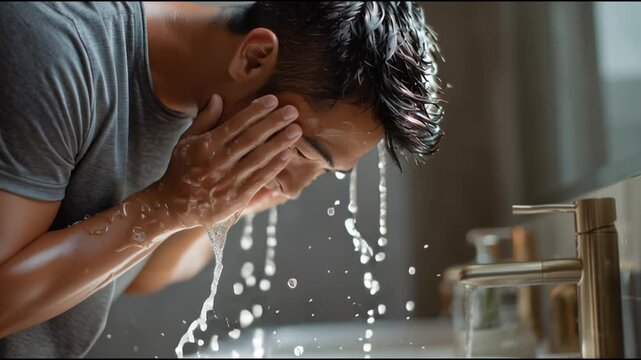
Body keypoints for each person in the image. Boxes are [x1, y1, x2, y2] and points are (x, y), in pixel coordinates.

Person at [0, 1, 445, 357]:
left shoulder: (212, 106)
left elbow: (139, 278)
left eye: (327, 170)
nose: (291, 188)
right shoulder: (56, 51)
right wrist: (168, 205)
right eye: (303, 151)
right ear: (255, 59)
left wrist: (202, 210)